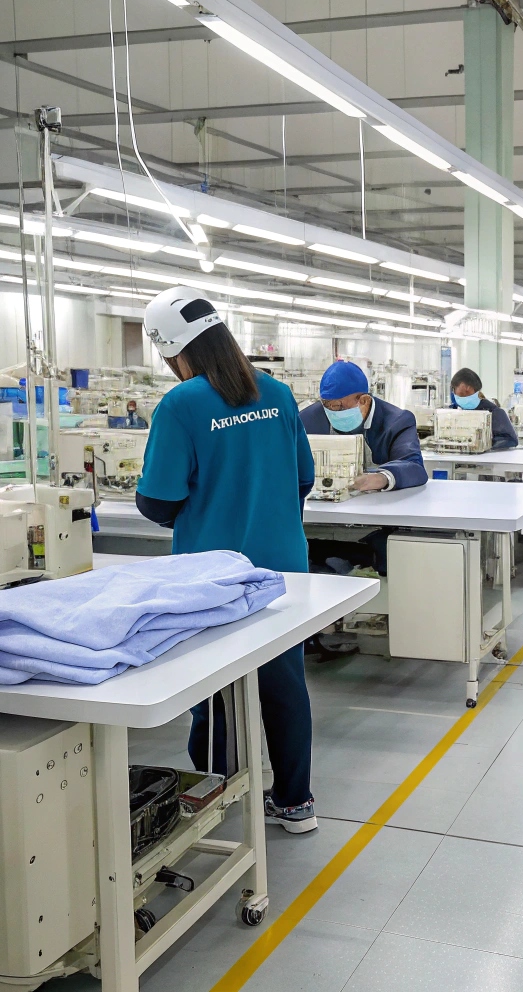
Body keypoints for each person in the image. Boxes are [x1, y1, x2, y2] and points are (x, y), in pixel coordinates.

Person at [135, 286, 319, 835]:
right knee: (285, 683)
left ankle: (219, 797)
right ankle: (295, 804)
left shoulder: (183, 403)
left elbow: (158, 500)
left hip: (211, 574)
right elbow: (304, 477)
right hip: (283, 566)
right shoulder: (280, 393)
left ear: (173, 350)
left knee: (213, 691)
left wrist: (206, 506)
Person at [299, 360, 426, 578]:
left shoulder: (396, 421)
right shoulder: (309, 419)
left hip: (376, 520)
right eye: (327, 405)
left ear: (364, 400)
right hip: (322, 514)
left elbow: (414, 465)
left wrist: (381, 478)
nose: (332, 412)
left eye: (339, 407)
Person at [449, 367, 518, 449]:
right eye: (461, 393)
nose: (454, 392)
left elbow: (510, 440)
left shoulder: (493, 412)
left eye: (468, 392)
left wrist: (485, 444)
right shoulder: (451, 412)